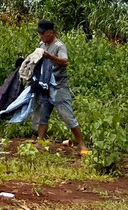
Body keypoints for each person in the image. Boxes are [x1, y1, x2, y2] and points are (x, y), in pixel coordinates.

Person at [35, 20, 88, 155]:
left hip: (59, 87)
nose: (40, 36)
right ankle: (39, 142)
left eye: (42, 34)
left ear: (50, 32)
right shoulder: (42, 44)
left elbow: (64, 62)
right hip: (46, 86)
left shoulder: (59, 46)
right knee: (43, 115)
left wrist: (49, 56)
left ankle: (82, 144)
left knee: (67, 116)